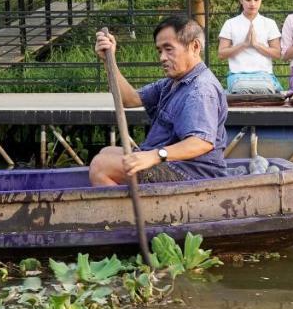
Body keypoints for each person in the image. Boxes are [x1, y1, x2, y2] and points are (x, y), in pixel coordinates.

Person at [89, 14, 228, 186]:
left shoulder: (201, 89)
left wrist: (154, 156)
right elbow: (129, 99)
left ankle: (127, 213)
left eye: (169, 49)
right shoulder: (171, 83)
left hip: (194, 175)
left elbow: (201, 143)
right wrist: (108, 61)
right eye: (160, 50)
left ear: (195, 46)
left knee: (101, 167)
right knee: (106, 152)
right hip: (172, 164)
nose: (162, 57)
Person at [216, 0, 283, 94]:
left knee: (265, 88)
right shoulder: (230, 23)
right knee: (241, 88)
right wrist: (244, 44)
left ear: (261, 0)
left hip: (264, 75)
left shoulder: (269, 23)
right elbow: (221, 54)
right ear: (241, 0)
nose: (252, 4)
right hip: (238, 75)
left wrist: (256, 45)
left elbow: (277, 53)